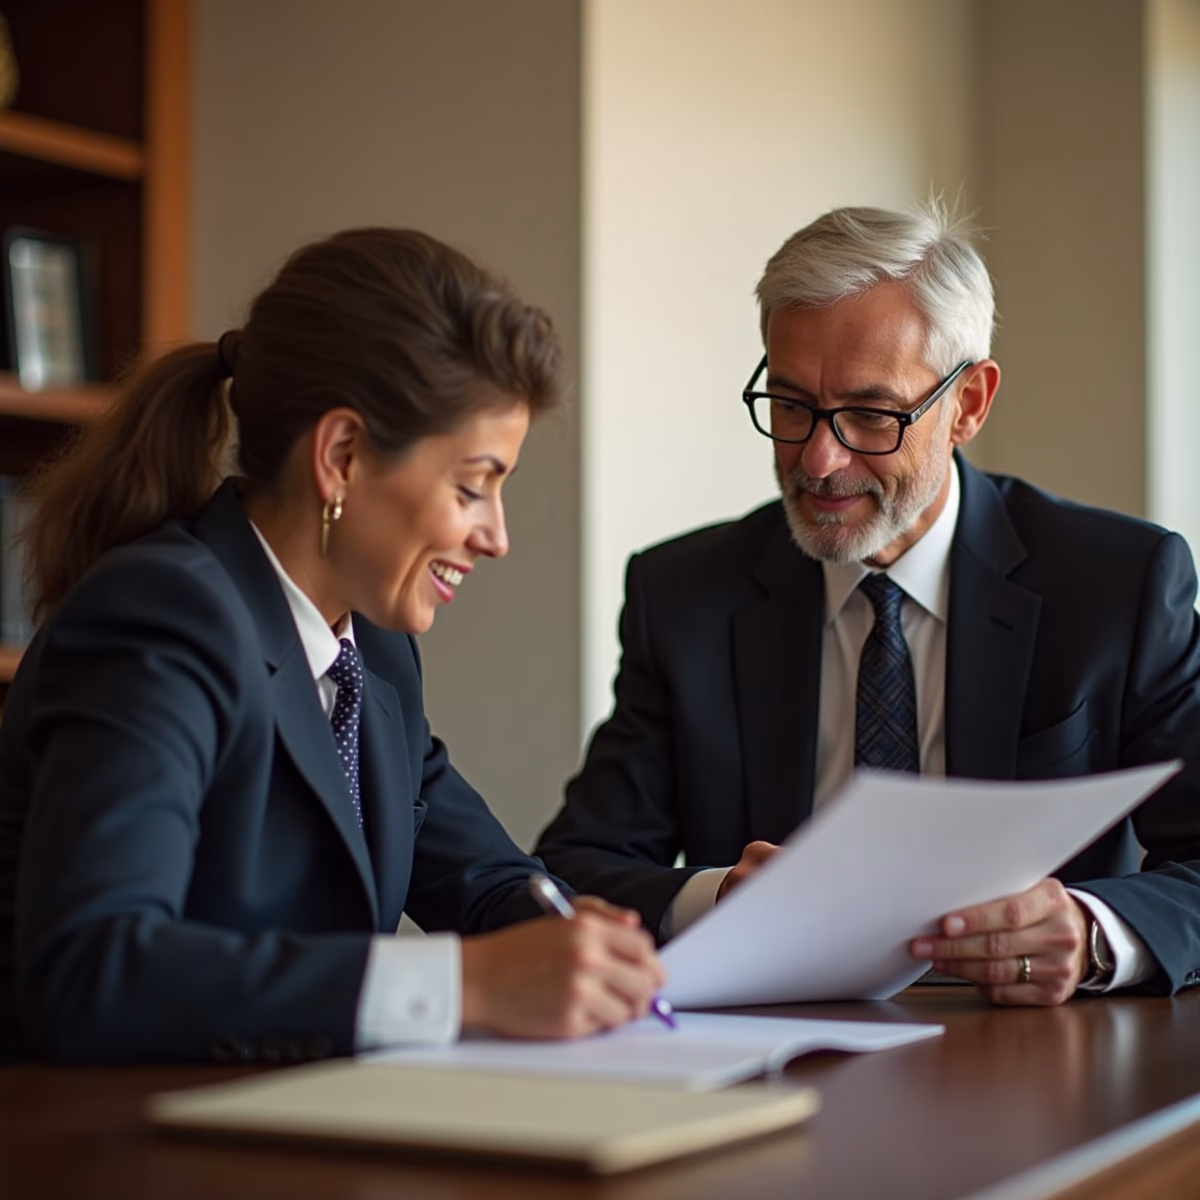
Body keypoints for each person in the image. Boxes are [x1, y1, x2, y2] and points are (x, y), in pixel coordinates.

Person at [0, 228, 663, 1063]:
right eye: (471, 487)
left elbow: (487, 879)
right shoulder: (161, 615)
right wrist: (475, 985)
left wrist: (570, 942)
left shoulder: (372, 649)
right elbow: (95, 969)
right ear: (342, 455)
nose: (496, 536)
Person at [535, 202, 1200, 1008]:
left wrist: (1097, 932)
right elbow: (571, 870)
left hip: (1038, 1056)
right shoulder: (685, 595)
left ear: (970, 404)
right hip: (769, 1058)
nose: (819, 458)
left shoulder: (1116, 585)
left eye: (870, 414)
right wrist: (716, 897)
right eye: (790, 406)